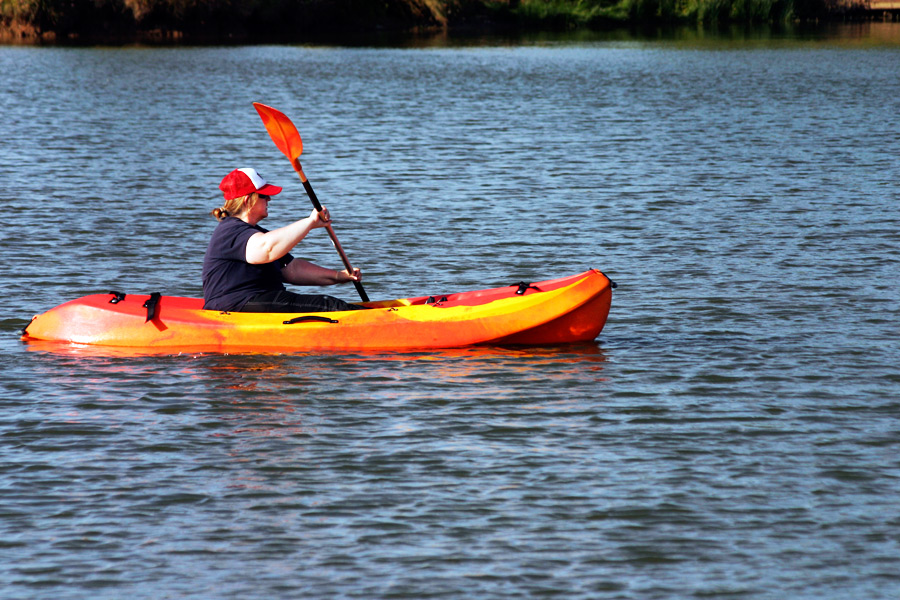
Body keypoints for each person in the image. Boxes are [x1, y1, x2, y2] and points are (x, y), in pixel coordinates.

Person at [202, 167, 365, 313]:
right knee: (329, 306)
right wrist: (309, 222)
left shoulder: (254, 234)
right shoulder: (230, 231)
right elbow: (266, 250)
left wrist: (339, 276)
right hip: (234, 307)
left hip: (257, 302)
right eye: (264, 196)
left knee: (328, 303)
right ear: (247, 200)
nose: (269, 200)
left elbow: (292, 269)